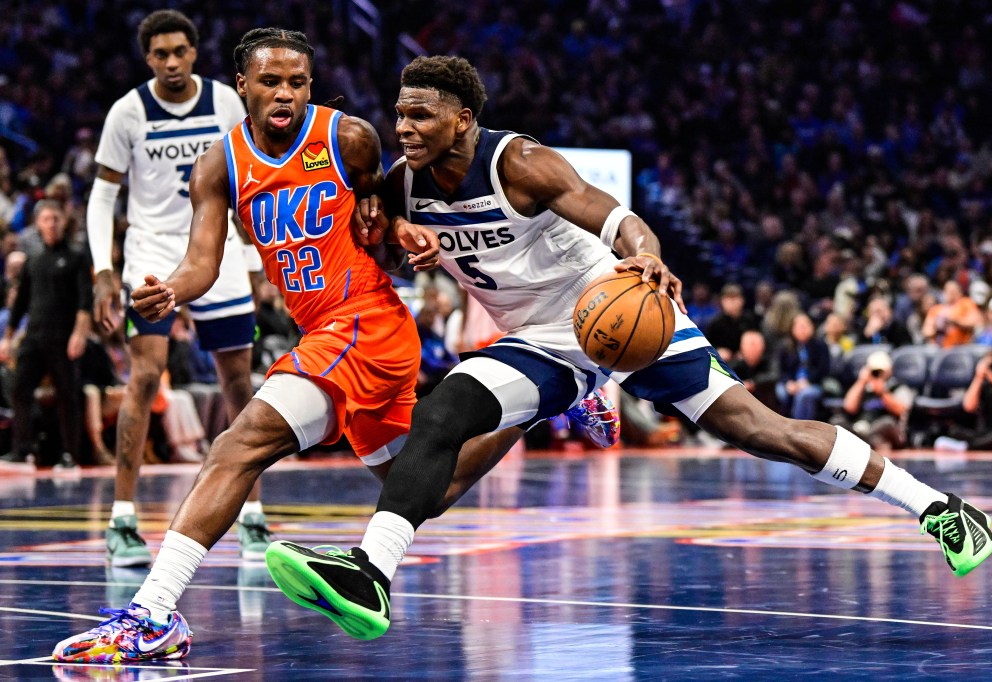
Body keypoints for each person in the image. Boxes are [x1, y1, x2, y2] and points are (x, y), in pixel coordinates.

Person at [256, 56, 992, 641]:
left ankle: (941, 508)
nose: (404, 126)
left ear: (463, 119)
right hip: (538, 341)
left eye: (421, 114)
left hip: (613, 309)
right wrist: (396, 235)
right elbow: (379, 232)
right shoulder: (403, 184)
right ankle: (371, 575)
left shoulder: (520, 163)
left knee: (761, 431)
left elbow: (615, 217)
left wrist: (647, 254)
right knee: (442, 414)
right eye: (399, 113)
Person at [53, 30, 615, 664]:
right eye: (271, 82)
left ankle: (152, 615)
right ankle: (554, 392)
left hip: (362, 323)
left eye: (297, 82)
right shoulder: (218, 164)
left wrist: (397, 229)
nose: (285, 93)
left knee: (239, 444)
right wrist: (172, 291)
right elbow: (203, 262)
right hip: (328, 329)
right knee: (421, 487)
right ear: (242, 86)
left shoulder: (346, 138)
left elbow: (383, 212)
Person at [85, 10, 271, 567]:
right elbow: (102, 195)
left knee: (238, 383)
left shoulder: (224, 102)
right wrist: (103, 269)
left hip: (217, 247)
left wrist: (255, 256)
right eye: (160, 54)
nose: (170, 62)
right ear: (148, 59)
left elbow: (249, 181)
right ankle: (122, 520)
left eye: (179, 51)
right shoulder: (127, 112)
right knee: (145, 377)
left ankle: (253, 517)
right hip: (152, 253)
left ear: (194, 52)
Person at [0, 200, 92, 469]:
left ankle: (69, 454)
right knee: (19, 388)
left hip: (64, 337)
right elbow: (20, 303)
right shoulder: (33, 259)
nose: (51, 224)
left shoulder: (76, 256)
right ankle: (22, 450)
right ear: (38, 224)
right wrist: (8, 337)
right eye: (46, 219)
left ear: (63, 222)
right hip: (34, 336)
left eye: (56, 219)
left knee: (68, 395)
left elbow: (85, 301)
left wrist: (79, 334)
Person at [935, 349, 992, 452]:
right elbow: (968, 407)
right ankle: (980, 444)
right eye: (990, 365)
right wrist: (978, 377)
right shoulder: (980, 384)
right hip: (982, 432)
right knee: (954, 430)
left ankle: (967, 446)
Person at [833, 350, 914, 452]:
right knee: (837, 422)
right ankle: (864, 442)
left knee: (886, 423)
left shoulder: (898, 387)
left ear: (889, 370)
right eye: (874, 371)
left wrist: (882, 392)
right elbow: (849, 407)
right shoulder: (863, 388)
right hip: (861, 429)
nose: (878, 374)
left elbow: (901, 411)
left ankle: (865, 443)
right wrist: (861, 381)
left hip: (883, 429)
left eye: (881, 371)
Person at [775, 313, 830, 421]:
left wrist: (807, 381)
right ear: (792, 329)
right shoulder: (785, 347)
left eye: (805, 326)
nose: (803, 330)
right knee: (783, 391)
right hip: (791, 382)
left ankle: (799, 425)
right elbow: (780, 370)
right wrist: (788, 382)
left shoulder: (820, 346)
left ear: (812, 327)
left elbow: (823, 369)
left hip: (813, 383)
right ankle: (784, 422)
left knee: (805, 394)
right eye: (799, 327)